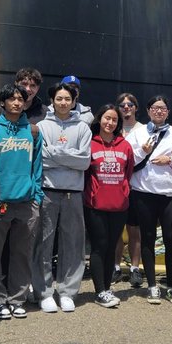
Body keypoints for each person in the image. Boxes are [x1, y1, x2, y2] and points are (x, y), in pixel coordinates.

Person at [0, 84, 44, 319]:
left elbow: (37, 166)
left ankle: (17, 298)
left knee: (22, 253)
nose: (17, 103)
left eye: (21, 99)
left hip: (27, 202)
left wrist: (36, 196)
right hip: (0, 203)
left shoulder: (34, 131)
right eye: (12, 99)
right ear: (2, 103)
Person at [35, 82, 93, 312]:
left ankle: (68, 291)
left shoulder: (83, 128)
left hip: (73, 193)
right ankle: (44, 291)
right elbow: (41, 159)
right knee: (43, 243)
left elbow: (84, 161)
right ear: (53, 100)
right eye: (59, 98)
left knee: (73, 244)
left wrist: (56, 154)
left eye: (67, 99)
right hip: (48, 191)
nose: (63, 103)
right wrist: (70, 156)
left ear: (73, 101)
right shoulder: (41, 126)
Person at [127, 95, 172, 305]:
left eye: (163, 108)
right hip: (144, 191)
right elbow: (128, 159)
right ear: (148, 110)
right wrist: (141, 152)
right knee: (148, 237)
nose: (159, 111)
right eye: (155, 108)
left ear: (169, 112)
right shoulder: (138, 132)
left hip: (170, 193)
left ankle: (171, 285)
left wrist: (171, 159)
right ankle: (152, 285)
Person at [84, 105, 134, 308]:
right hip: (95, 205)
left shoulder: (125, 146)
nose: (110, 123)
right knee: (99, 246)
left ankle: (106, 287)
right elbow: (86, 173)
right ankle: (100, 290)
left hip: (119, 205)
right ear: (99, 119)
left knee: (112, 246)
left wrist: (122, 192)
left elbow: (128, 172)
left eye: (114, 120)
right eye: (107, 118)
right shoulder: (90, 144)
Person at [113, 92, 144, 287]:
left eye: (130, 104)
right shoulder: (112, 127)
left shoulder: (143, 130)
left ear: (136, 107)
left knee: (134, 230)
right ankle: (115, 267)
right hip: (114, 186)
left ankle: (134, 268)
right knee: (116, 230)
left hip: (136, 186)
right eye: (123, 104)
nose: (126, 107)